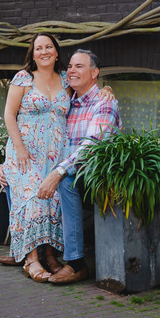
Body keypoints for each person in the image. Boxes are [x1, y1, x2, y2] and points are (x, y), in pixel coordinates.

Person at [36, 49, 120, 285]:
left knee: (65, 181)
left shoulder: (104, 102)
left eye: (79, 66)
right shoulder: (66, 102)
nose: (72, 70)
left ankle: (76, 263)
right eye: (70, 66)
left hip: (95, 175)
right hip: (66, 168)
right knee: (23, 178)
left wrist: (58, 172)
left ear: (94, 73)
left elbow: (93, 146)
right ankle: (31, 252)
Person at [2, 32, 69, 282]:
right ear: (32, 53)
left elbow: (86, 93)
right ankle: (31, 260)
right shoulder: (23, 78)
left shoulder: (65, 78)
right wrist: (19, 148)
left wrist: (105, 88)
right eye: (39, 48)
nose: (44, 51)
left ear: (56, 52)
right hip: (26, 151)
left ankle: (50, 256)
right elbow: (9, 115)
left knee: (54, 202)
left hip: (57, 152)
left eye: (48, 46)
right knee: (31, 200)